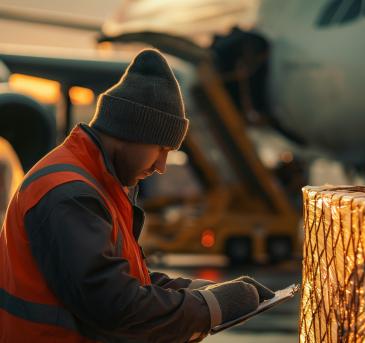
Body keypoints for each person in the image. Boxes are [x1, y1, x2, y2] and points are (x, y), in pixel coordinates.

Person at [0, 49, 274, 342]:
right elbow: (117, 307)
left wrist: (196, 290)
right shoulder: (71, 195)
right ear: (129, 131)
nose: (161, 166)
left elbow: (121, 281)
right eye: (161, 149)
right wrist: (211, 307)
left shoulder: (93, 183)